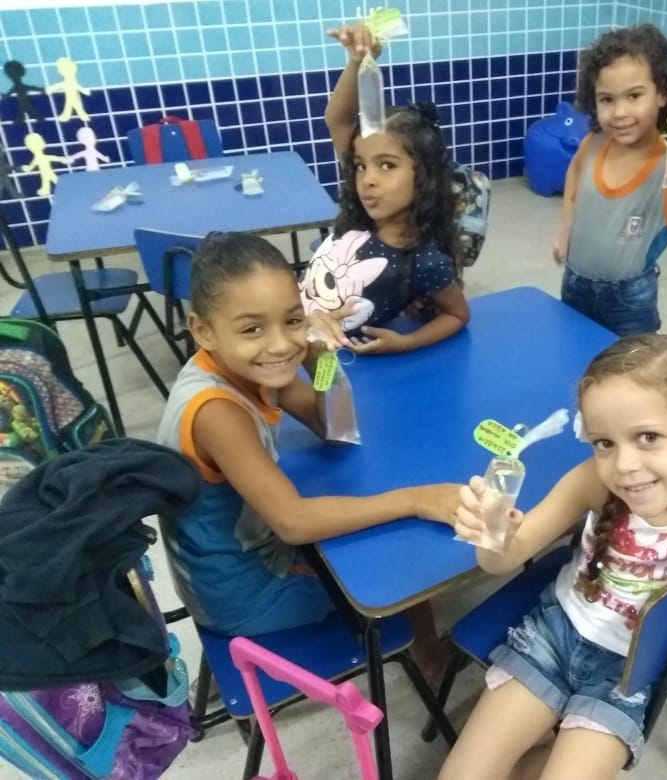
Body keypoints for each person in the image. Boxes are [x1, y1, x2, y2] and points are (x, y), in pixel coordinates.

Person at [439, 334, 667, 780]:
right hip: (556, 635)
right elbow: (501, 560)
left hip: (635, 670)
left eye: (648, 437)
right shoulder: (591, 481)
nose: (624, 465)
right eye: (604, 443)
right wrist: (493, 537)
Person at [155, 232, 458, 676]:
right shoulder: (217, 411)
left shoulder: (246, 366)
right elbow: (294, 522)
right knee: (400, 561)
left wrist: (318, 355)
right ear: (203, 331)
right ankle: (429, 658)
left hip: (244, 557)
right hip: (244, 592)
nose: (280, 344)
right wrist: (416, 499)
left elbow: (335, 429)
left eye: (292, 319)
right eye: (252, 328)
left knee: (374, 529)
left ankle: (423, 648)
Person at [552, 24, 667, 337]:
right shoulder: (593, 143)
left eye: (634, 96)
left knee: (630, 366)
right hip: (574, 285)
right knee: (575, 357)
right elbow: (575, 174)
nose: (619, 112)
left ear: (663, 94)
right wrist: (567, 225)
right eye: (606, 99)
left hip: (629, 301)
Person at [303, 23, 468, 355]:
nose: (368, 179)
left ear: (424, 176)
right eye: (361, 165)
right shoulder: (359, 219)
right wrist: (356, 61)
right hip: (293, 332)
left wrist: (406, 342)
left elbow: (457, 314)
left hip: (332, 361)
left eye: (387, 165)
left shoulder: (424, 260)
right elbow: (338, 119)